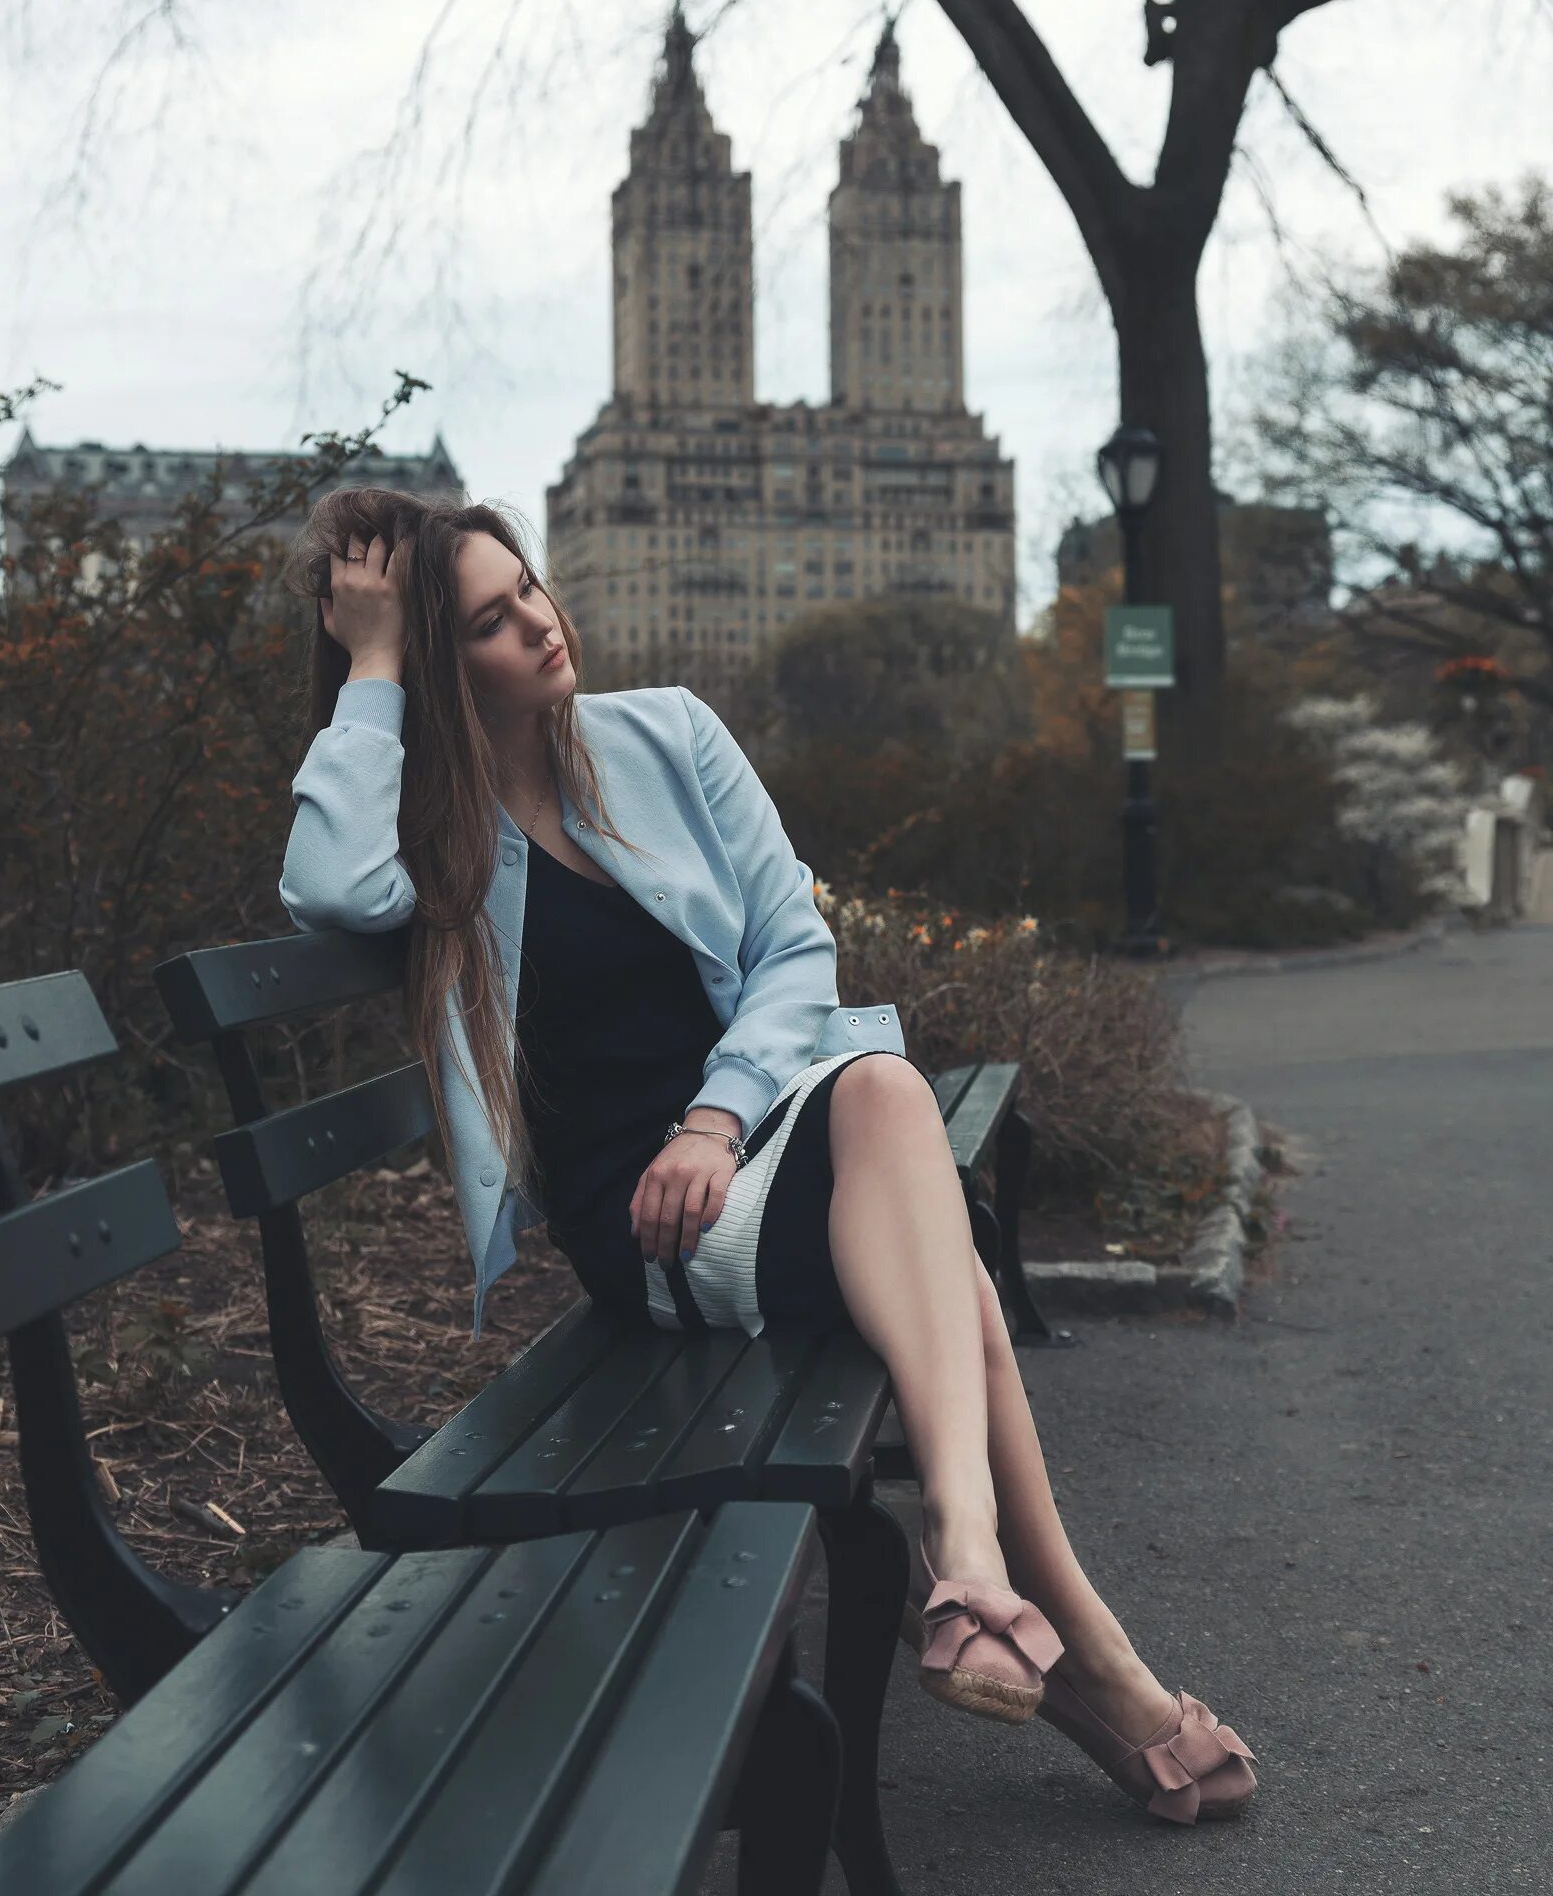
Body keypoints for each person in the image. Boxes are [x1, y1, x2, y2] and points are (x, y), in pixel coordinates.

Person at [277, 486, 1257, 1827]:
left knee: (885, 1095)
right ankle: (1082, 1647)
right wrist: (373, 660)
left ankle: (979, 1566)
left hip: (754, 1134)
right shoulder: (438, 844)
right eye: (491, 624)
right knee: (943, 1260)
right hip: (654, 1222)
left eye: (534, 592)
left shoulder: (669, 735)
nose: (542, 628)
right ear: (446, 667)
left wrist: (719, 1116)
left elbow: (798, 953)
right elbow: (328, 886)